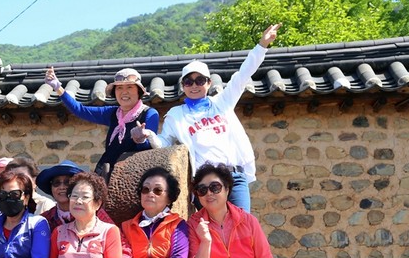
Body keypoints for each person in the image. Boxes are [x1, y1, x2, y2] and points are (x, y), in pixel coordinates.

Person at [140, 24, 281, 211]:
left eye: (200, 80)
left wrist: (262, 46)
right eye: (188, 81)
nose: (194, 86)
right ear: (183, 86)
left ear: (209, 83)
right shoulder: (176, 115)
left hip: (233, 176)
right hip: (204, 181)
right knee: (210, 227)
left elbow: (243, 75)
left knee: (242, 223)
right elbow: (165, 142)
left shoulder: (222, 102)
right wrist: (148, 135)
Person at [45, 66, 159, 181]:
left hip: (134, 177)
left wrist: (140, 140)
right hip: (105, 173)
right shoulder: (112, 113)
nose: (124, 92)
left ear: (139, 91)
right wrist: (57, 87)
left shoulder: (149, 113)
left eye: (129, 87)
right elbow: (80, 110)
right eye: (119, 88)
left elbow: (150, 148)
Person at [46, 171, 125, 258]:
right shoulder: (58, 232)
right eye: (74, 196)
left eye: (85, 197)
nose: (78, 201)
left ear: (97, 203)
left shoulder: (109, 231)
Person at [36, 160, 115, 231]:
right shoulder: (44, 220)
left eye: (67, 182)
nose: (62, 187)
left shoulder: (95, 214)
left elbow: (116, 239)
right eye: (56, 183)